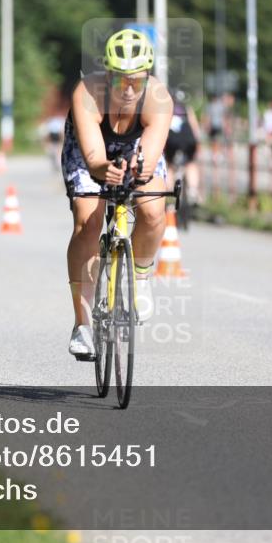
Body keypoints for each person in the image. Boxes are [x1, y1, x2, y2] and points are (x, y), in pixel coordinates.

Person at [62, 29, 172, 360]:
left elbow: (149, 161)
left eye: (136, 82)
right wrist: (101, 169)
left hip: (136, 148)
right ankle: (82, 326)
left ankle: (139, 276)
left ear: (148, 77)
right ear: (106, 74)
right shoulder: (87, 93)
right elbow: (94, 158)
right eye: (119, 80)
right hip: (89, 148)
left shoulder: (158, 99)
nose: (127, 89)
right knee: (89, 222)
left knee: (153, 212)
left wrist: (138, 171)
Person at [163, 88, 202, 204]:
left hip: (172, 141)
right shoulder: (186, 109)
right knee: (191, 164)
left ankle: (169, 192)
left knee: (169, 164)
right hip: (189, 140)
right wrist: (198, 144)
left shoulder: (166, 109)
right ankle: (193, 190)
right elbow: (195, 128)